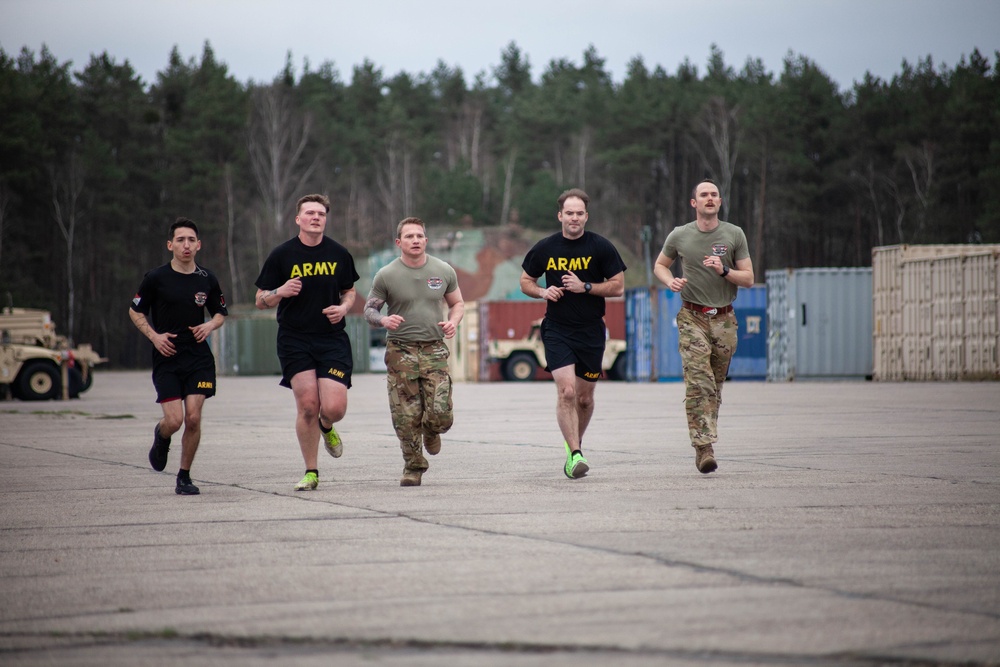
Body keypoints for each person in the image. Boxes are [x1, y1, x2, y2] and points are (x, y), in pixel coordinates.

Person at [254, 194, 360, 491]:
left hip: (331, 338)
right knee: (308, 406)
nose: (316, 217)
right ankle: (311, 471)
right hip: (294, 338)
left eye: (321, 214)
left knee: (334, 408)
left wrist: (343, 308)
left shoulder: (339, 253)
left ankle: (328, 427)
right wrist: (280, 291)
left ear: (326, 219)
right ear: (298, 219)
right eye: (310, 213)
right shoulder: (282, 255)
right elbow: (261, 300)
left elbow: (349, 291)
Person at [520, 188, 626, 479]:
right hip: (557, 329)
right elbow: (525, 280)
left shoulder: (601, 247)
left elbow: (618, 286)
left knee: (584, 400)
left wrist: (586, 287)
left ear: (586, 216)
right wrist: (543, 291)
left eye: (580, 213)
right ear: (560, 216)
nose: (574, 218)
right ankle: (575, 454)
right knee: (566, 392)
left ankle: (573, 446)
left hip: (591, 331)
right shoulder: (545, 248)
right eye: (569, 213)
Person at [653, 178, 754, 474]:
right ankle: (704, 447)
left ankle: (704, 438)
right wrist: (669, 280)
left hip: (724, 319)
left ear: (720, 202)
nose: (709, 198)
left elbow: (748, 278)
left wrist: (724, 270)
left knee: (715, 386)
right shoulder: (680, 235)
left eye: (714, 195)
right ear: (693, 203)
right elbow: (660, 265)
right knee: (699, 381)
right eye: (703, 195)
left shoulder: (734, 234)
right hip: (692, 316)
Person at [129, 217, 228, 495]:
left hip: (197, 357)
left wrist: (209, 325)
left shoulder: (207, 279)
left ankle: (184, 476)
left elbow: (220, 313)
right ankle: (161, 437)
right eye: (181, 240)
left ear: (199, 245)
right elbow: (135, 310)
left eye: (191, 240)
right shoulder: (156, 278)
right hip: (167, 356)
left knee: (193, 418)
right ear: (170, 244)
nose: (186, 245)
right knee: (174, 421)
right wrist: (154, 336)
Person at [364, 217, 465, 487]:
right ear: (399, 242)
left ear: (426, 240)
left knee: (441, 413)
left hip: (433, 349)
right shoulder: (386, 274)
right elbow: (369, 309)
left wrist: (453, 322)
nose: (416, 240)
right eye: (409, 236)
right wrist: (383, 320)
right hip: (400, 351)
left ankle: (432, 430)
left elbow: (457, 304)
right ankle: (413, 466)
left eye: (420, 236)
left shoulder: (443, 270)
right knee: (405, 416)